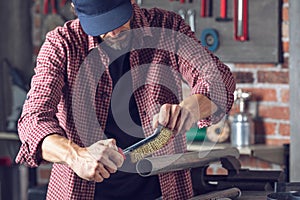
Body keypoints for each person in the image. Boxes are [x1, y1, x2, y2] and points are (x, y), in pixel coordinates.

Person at [15, 0, 235, 199]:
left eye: (116, 19)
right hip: (81, 192)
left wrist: (191, 109)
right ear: (75, 9)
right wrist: (76, 156)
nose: (111, 32)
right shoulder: (61, 44)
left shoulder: (167, 27)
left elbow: (220, 80)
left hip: (162, 191)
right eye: (100, 25)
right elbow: (33, 120)